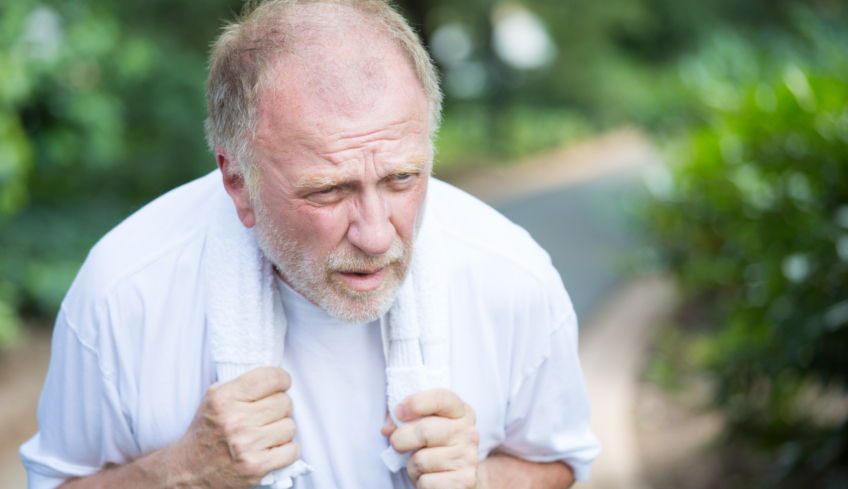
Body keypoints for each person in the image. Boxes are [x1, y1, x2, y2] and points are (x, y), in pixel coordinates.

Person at [19, 0, 601, 488]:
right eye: (327, 191)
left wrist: (480, 479)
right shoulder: (125, 292)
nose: (376, 235)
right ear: (237, 183)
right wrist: (178, 472)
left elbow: (556, 461)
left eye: (402, 178)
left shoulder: (512, 274)